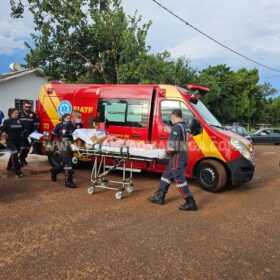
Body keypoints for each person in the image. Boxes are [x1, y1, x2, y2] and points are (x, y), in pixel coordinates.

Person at [148, 109, 197, 211]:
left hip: (177, 158)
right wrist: (171, 130)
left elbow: (172, 146)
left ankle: (190, 201)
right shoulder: (185, 127)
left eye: (172, 118)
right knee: (166, 176)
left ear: (173, 117)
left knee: (179, 179)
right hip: (182, 155)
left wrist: (164, 152)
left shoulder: (176, 128)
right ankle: (160, 196)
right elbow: (182, 141)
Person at [49, 110, 83, 188]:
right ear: (73, 117)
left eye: (80, 117)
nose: (80, 119)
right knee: (68, 163)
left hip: (73, 146)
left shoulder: (79, 125)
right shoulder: (66, 125)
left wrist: (81, 143)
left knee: (65, 162)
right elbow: (64, 138)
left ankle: (54, 171)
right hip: (64, 145)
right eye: (78, 117)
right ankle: (68, 181)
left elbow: (82, 134)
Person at [0, 108, 23, 177]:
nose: (17, 114)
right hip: (10, 141)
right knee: (15, 153)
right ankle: (17, 170)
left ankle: (9, 166)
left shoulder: (19, 121)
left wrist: (28, 137)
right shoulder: (7, 121)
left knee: (14, 154)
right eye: (15, 113)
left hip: (19, 141)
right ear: (11, 114)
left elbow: (22, 130)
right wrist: (2, 139)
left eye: (17, 113)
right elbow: (2, 130)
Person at [18, 101, 39, 166]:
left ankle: (23, 158)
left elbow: (36, 123)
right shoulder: (19, 113)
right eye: (26, 107)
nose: (28, 108)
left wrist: (35, 131)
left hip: (30, 134)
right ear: (23, 106)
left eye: (29, 107)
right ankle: (20, 160)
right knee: (22, 148)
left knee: (27, 148)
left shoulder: (33, 114)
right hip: (21, 134)